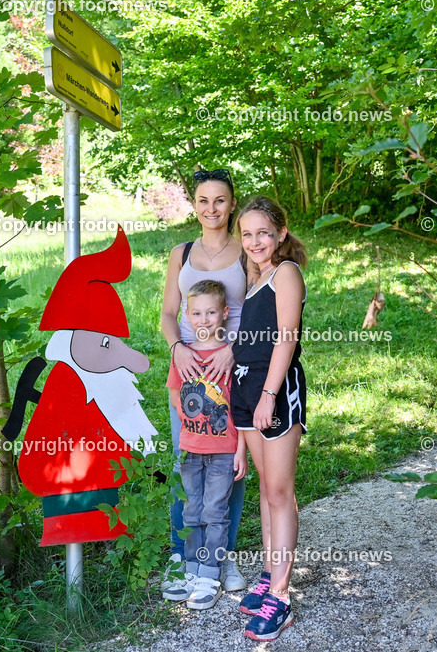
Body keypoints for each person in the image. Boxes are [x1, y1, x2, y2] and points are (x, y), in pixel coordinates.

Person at [160, 169, 249, 593]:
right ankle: (183, 557)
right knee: (187, 465)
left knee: (228, 467)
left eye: (220, 200)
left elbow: (260, 311)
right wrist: (177, 347)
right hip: (189, 375)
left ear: (232, 205)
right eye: (203, 200)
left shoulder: (247, 252)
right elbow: (167, 313)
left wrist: (235, 349)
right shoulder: (180, 252)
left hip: (235, 372)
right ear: (193, 205)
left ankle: (222, 557)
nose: (211, 208)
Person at [231, 197, 307, 641]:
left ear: (280, 233)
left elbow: (286, 339)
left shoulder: (286, 274)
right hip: (247, 393)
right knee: (265, 489)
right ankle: (268, 571)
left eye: (264, 232)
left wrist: (267, 396)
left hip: (273, 394)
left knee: (280, 492)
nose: (255, 241)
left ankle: (280, 594)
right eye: (247, 233)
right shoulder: (255, 277)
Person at [162, 280, 247, 609]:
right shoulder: (182, 357)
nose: (204, 319)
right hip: (190, 451)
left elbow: (240, 408)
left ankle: (211, 571)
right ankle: (194, 568)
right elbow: (175, 396)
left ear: (225, 314)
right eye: (197, 313)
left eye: (211, 312)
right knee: (192, 510)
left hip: (223, 452)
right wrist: (188, 434)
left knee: (215, 511)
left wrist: (241, 449)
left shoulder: (230, 360)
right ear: (186, 314)